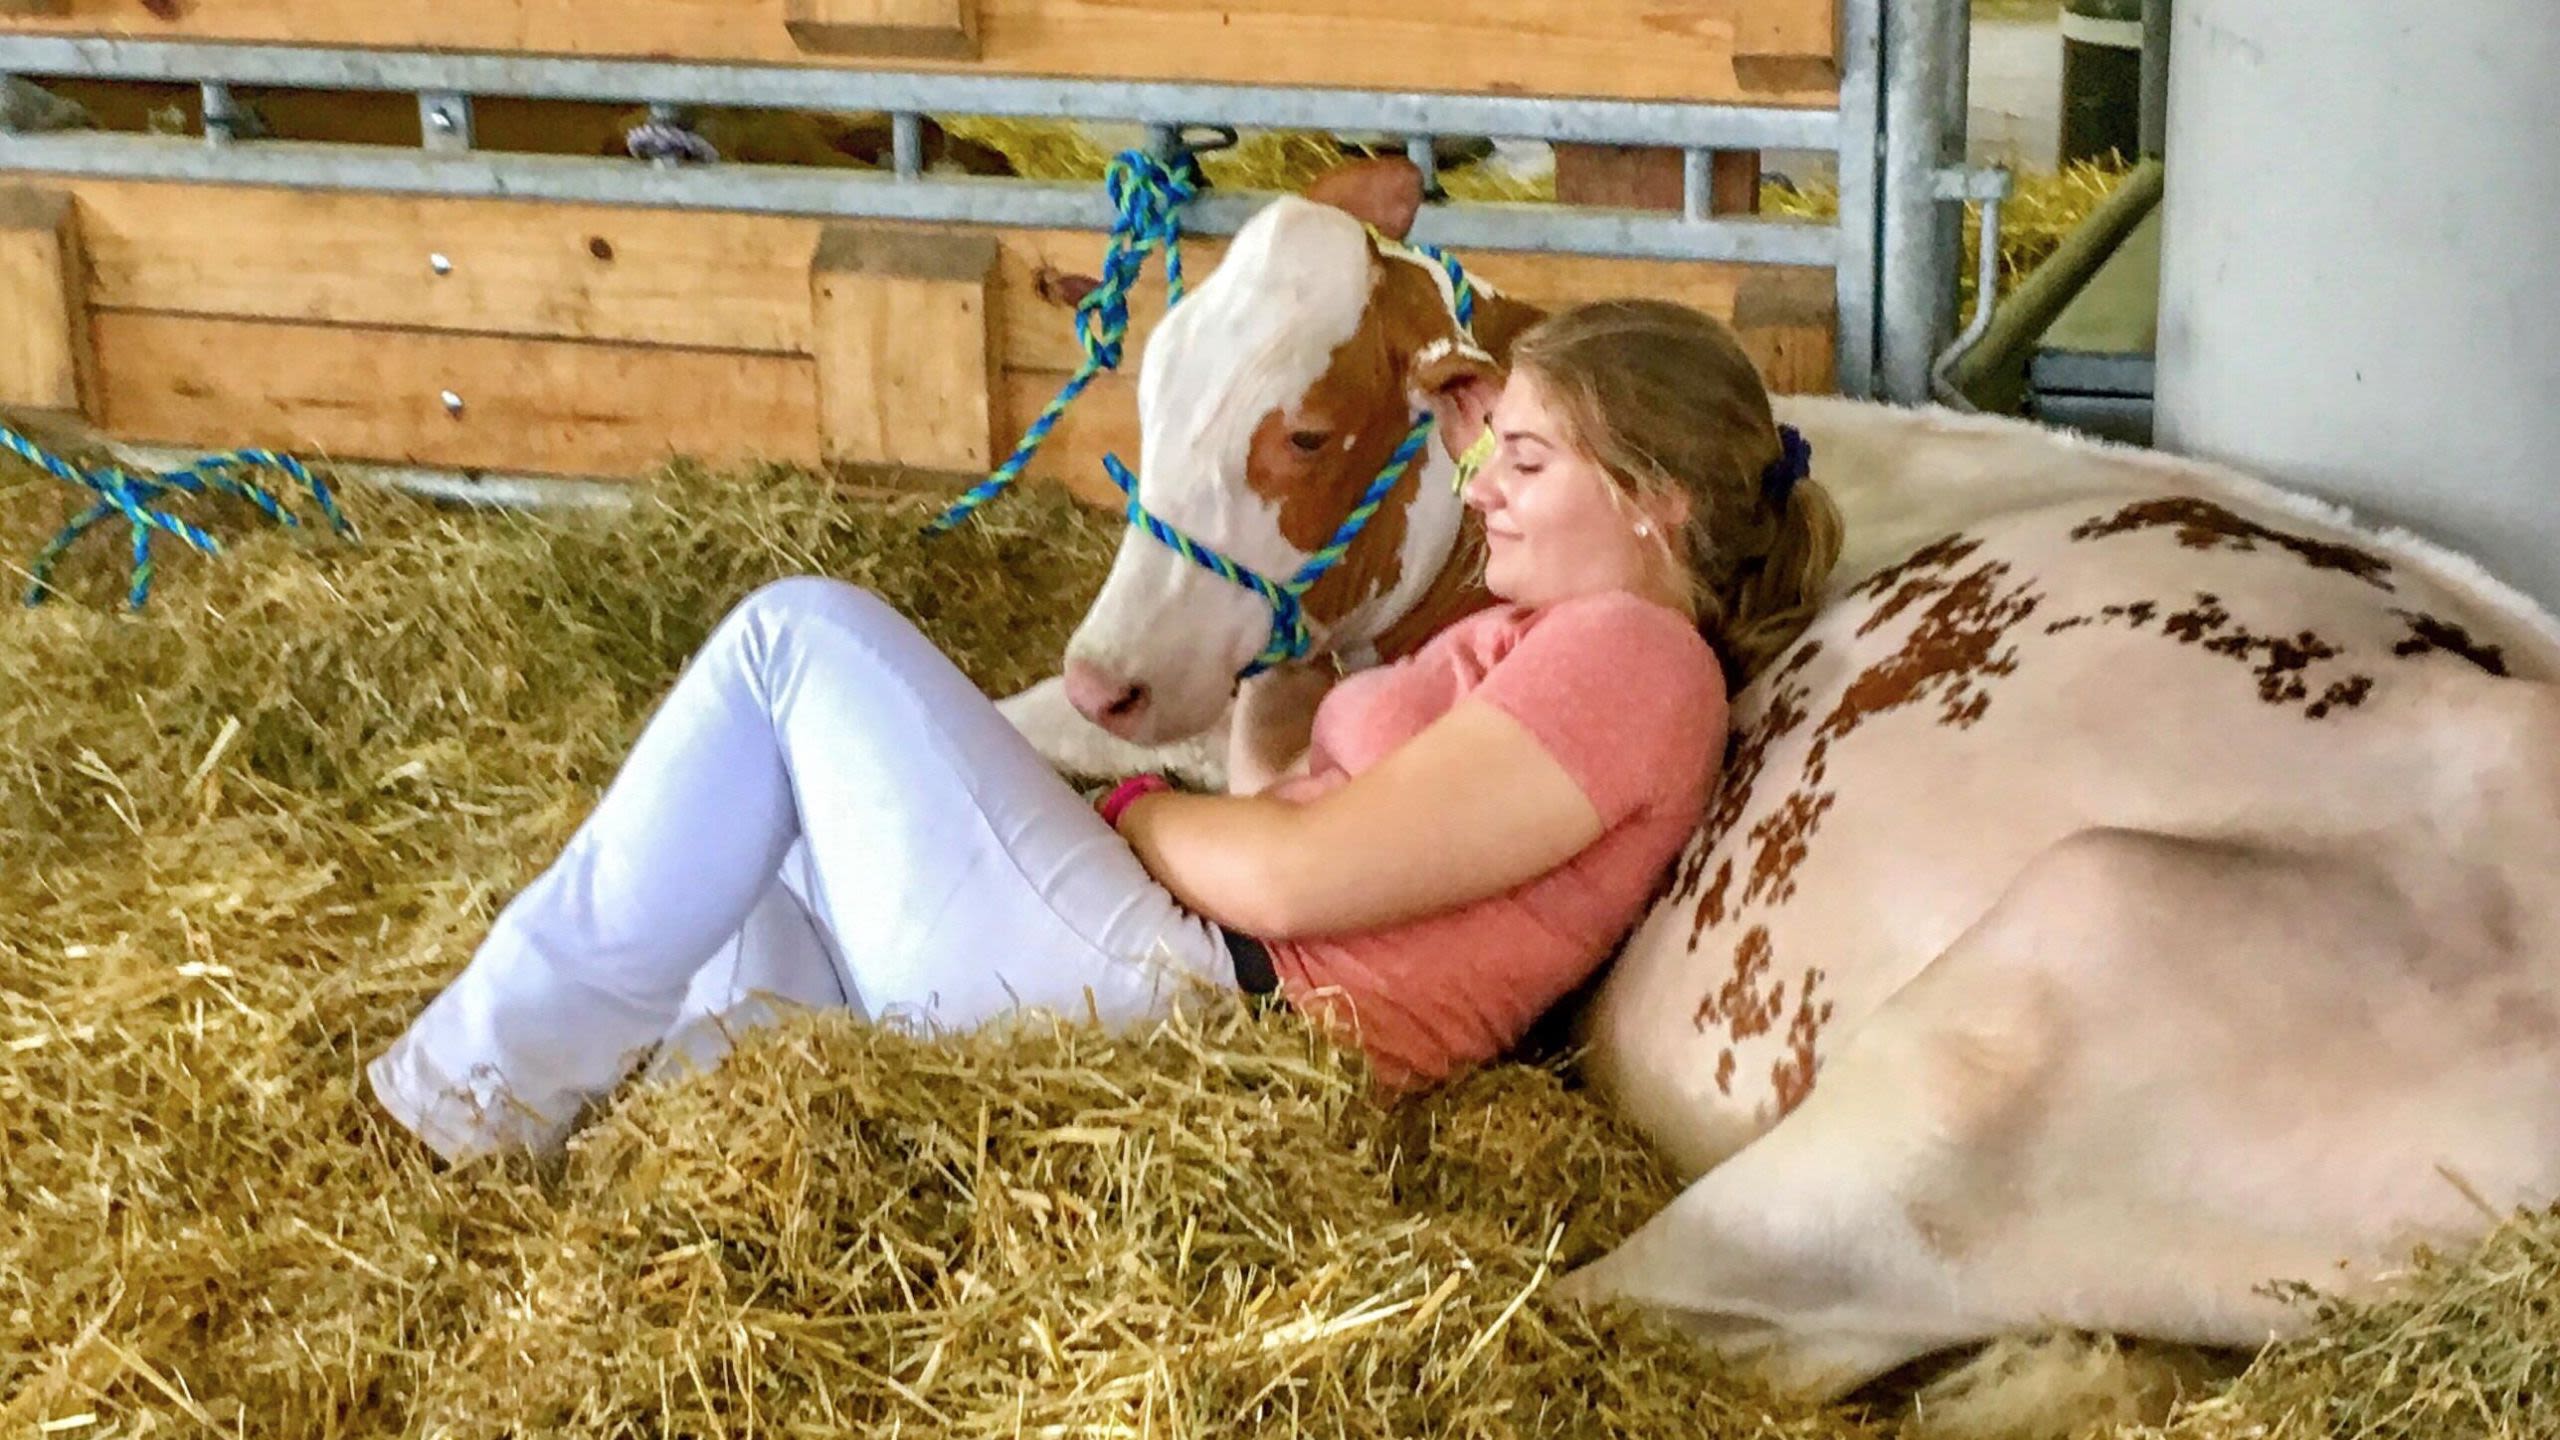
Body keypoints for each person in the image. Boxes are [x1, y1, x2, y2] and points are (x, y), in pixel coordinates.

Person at [368, 299, 1845, 1164]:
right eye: (1488, 452)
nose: (1487, 489)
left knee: (795, 643)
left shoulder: (1639, 661)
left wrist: (1129, 803)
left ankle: (456, 1102)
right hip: (1183, 965)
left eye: (1525, 458)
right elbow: (1311, 808)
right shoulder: (1539, 635)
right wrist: (1280, 688)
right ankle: (640, 1152)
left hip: (1213, 1003)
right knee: (780, 857)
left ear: (1656, 499)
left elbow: (1289, 885)